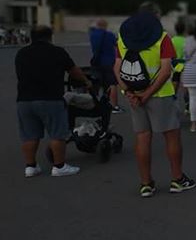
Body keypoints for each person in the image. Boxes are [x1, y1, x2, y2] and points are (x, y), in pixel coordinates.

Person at [115, 2, 195, 198]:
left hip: (135, 95)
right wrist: (148, 93)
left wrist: (130, 92)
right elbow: (166, 69)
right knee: (171, 136)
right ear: (155, 16)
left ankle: (146, 183)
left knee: (142, 137)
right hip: (160, 94)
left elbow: (116, 68)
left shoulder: (122, 39)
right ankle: (177, 179)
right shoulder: (162, 38)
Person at [17, 25, 91, 177]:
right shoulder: (57, 52)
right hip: (50, 98)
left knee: (29, 135)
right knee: (57, 133)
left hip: (24, 100)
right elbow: (73, 70)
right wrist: (86, 81)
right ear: (50, 37)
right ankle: (59, 166)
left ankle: (30, 167)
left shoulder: (21, 53)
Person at [89, 19, 123, 114]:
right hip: (109, 62)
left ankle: (94, 104)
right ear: (105, 25)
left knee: (97, 83)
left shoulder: (93, 35)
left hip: (97, 62)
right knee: (112, 84)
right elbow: (116, 44)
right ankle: (113, 106)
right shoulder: (109, 35)